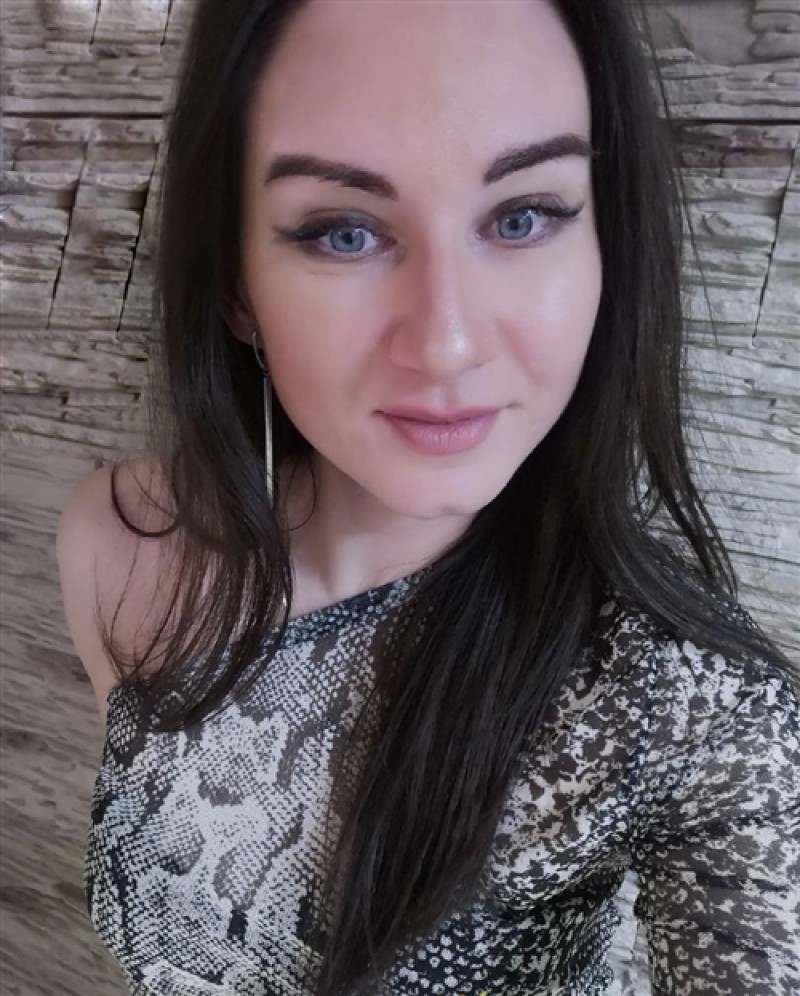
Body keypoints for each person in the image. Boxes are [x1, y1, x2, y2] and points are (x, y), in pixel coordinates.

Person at [55, 0, 799, 994]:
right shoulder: (120, 544)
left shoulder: (681, 705)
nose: (446, 343)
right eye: (344, 232)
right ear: (235, 284)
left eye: (521, 217)